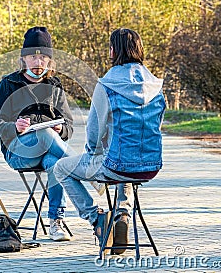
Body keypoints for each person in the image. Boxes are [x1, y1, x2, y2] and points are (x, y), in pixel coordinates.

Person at [53, 28, 166, 253]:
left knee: (60, 169)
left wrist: (92, 152)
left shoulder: (107, 85)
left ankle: (98, 221)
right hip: (152, 166)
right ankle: (122, 213)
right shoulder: (156, 86)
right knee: (122, 154)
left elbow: (94, 131)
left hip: (116, 166)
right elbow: (156, 125)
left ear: (113, 50)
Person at [0, 26, 75, 241]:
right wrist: (14, 127)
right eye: (33, 57)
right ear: (24, 59)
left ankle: (56, 221)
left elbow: (69, 125)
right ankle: (85, 170)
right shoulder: (8, 84)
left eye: (43, 57)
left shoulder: (55, 85)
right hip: (18, 153)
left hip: (49, 151)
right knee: (45, 135)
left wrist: (61, 129)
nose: (38, 62)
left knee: (57, 164)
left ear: (49, 61)